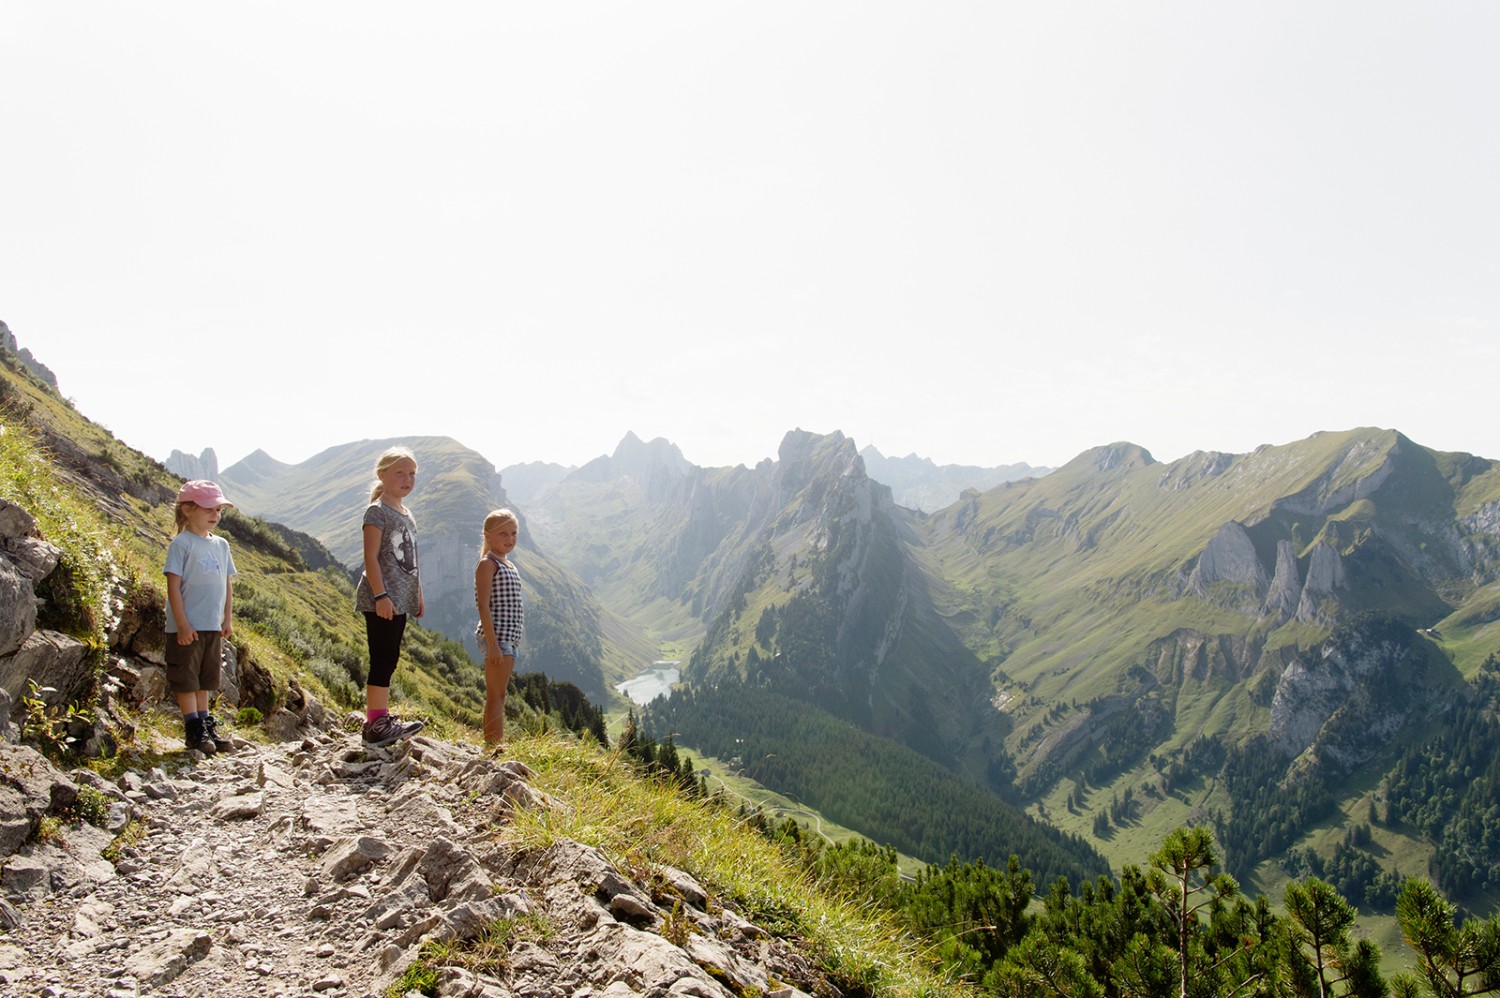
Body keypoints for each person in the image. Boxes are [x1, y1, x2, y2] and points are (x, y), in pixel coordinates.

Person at [355, 447, 426, 746]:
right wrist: (381, 595)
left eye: (411, 474)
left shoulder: (405, 512)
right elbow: (370, 558)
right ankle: (375, 725)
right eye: (400, 472)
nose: (407, 479)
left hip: (400, 598)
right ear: (382, 474)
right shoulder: (377, 512)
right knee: (382, 659)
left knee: (391, 658)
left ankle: (380, 719)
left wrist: (417, 593)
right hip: (382, 599)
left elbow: (411, 558)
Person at [164, 480, 238, 754]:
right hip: (187, 626)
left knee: (206, 678)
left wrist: (227, 618)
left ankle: (205, 723)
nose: (215, 516)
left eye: (219, 510)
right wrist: (182, 624)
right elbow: (173, 585)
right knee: (187, 677)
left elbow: (226, 583)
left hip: (212, 624)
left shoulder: (221, 545)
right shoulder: (181, 545)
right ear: (187, 509)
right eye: (209, 509)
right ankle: (193, 727)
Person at [474, 508, 524, 749]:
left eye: (514, 533)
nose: (510, 539)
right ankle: (493, 746)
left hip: (509, 639)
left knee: (501, 695)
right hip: (498, 639)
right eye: (503, 533)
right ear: (488, 536)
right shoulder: (487, 564)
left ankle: (495, 744)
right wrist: (493, 645)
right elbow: (483, 606)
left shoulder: (508, 564)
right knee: (495, 695)